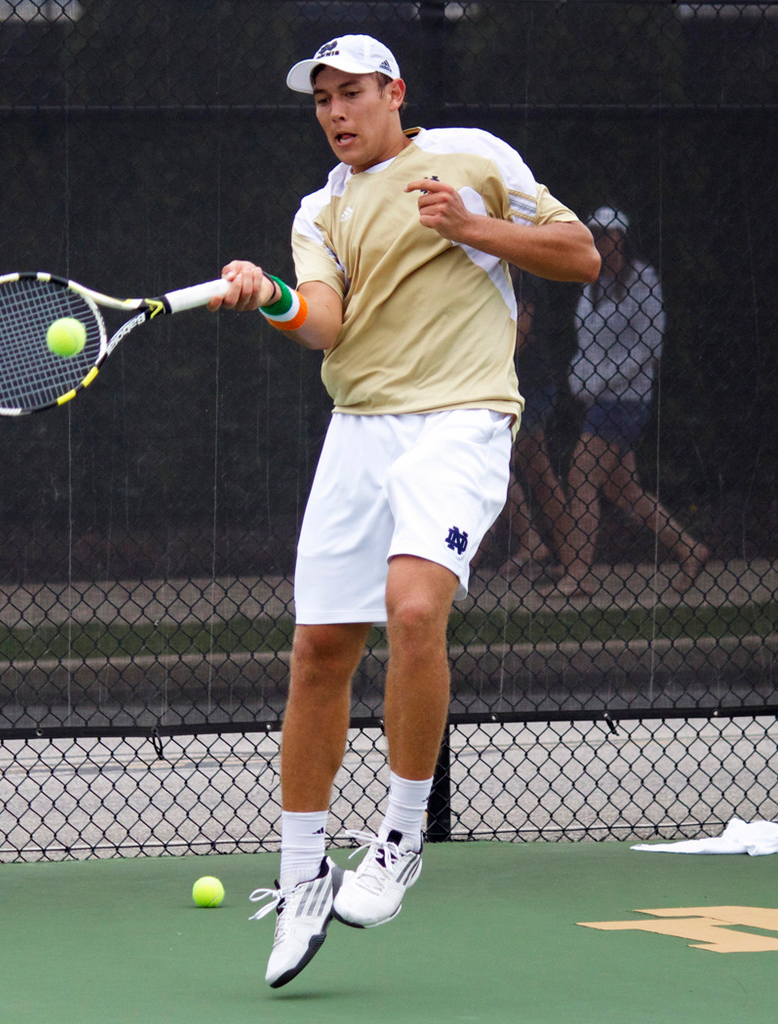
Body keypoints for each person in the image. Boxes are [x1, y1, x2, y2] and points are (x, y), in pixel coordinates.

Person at [209, 34, 600, 988]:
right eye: (321, 101)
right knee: (319, 654)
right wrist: (268, 301)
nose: (335, 113)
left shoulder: (474, 155)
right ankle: (302, 875)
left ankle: (397, 835)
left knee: (416, 611)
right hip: (360, 428)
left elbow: (580, 256)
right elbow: (326, 323)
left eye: (352, 94)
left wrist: (476, 229)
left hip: (462, 418)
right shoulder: (320, 208)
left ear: (394, 93)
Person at [552, 206, 708, 597]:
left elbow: (649, 346)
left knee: (580, 477)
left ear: (621, 237)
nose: (599, 239)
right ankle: (689, 549)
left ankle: (577, 574)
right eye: (594, 233)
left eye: (606, 234)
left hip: (625, 398)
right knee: (624, 491)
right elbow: (586, 343)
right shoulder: (592, 282)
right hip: (599, 397)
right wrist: (582, 379)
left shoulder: (642, 282)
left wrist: (601, 379)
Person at [498, 270, 577, 579]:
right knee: (532, 474)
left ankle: (553, 549)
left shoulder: (524, 279)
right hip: (515, 384)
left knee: (512, 468)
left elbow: (523, 329)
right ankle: (555, 550)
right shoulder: (492, 270)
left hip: (528, 385)